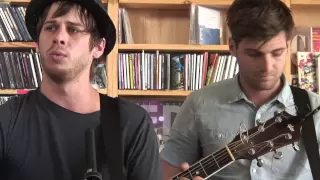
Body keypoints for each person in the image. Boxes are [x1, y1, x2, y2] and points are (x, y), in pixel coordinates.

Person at [0, 0, 162, 180]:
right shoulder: (6, 120)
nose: (59, 37)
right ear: (38, 41)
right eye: (51, 27)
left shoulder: (132, 123)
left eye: (73, 29)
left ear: (98, 47)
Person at [160, 0, 320, 179]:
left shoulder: (315, 108)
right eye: (254, 54)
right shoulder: (199, 104)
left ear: (288, 45)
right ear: (232, 47)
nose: (267, 66)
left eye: (277, 53)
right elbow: (167, 172)